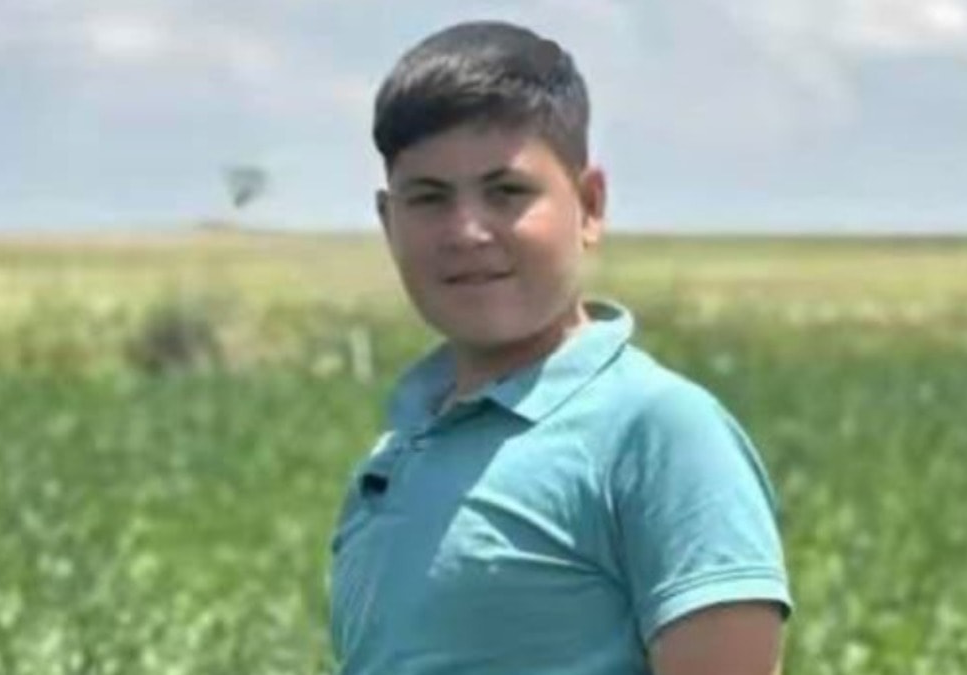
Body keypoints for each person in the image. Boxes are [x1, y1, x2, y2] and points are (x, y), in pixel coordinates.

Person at [329, 20, 793, 675]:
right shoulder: (400, 447)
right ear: (388, 221)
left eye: (507, 192)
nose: (467, 231)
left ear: (590, 204)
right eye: (429, 199)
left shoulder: (658, 431)